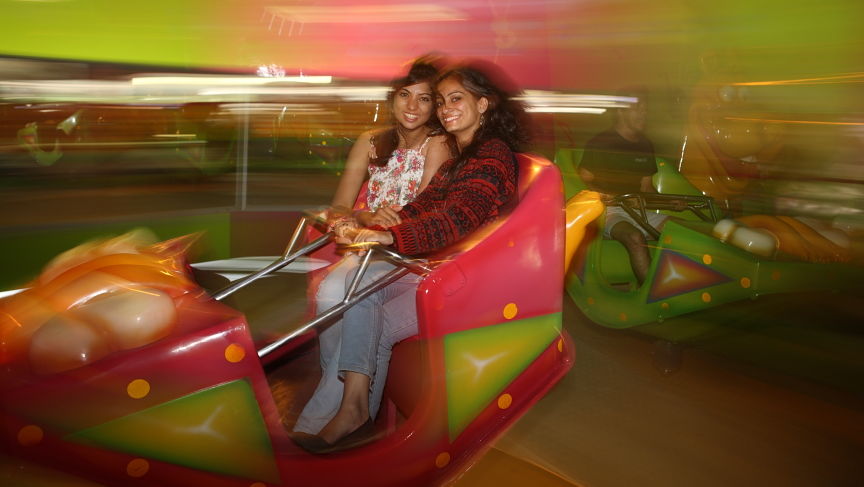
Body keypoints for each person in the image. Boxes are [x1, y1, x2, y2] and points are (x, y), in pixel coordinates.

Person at [291, 60, 529, 453]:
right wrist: (384, 225)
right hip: (439, 267)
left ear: (484, 105)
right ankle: (356, 414)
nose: (445, 107)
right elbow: (428, 204)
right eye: (442, 100)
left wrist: (391, 235)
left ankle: (349, 413)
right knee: (363, 303)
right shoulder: (461, 158)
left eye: (457, 99)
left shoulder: (491, 156)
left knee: (358, 287)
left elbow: (458, 217)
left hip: (466, 278)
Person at [293, 58, 452, 437]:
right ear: (392, 98)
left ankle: (326, 418)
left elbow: (422, 213)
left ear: (434, 107)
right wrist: (359, 219)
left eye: (424, 99)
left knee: (338, 292)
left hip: (409, 252)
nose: (412, 107)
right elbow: (341, 206)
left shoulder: (438, 144)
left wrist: (384, 222)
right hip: (368, 248)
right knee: (331, 294)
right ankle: (349, 409)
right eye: (404, 95)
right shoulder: (370, 141)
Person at [579, 89, 666, 285]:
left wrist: (669, 201)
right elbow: (583, 179)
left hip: (638, 209)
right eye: (638, 108)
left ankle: (675, 288)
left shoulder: (645, 144)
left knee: (680, 230)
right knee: (634, 236)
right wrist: (606, 196)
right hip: (608, 211)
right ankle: (651, 295)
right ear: (621, 111)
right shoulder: (602, 142)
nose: (644, 113)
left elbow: (647, 187)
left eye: (646, 108)